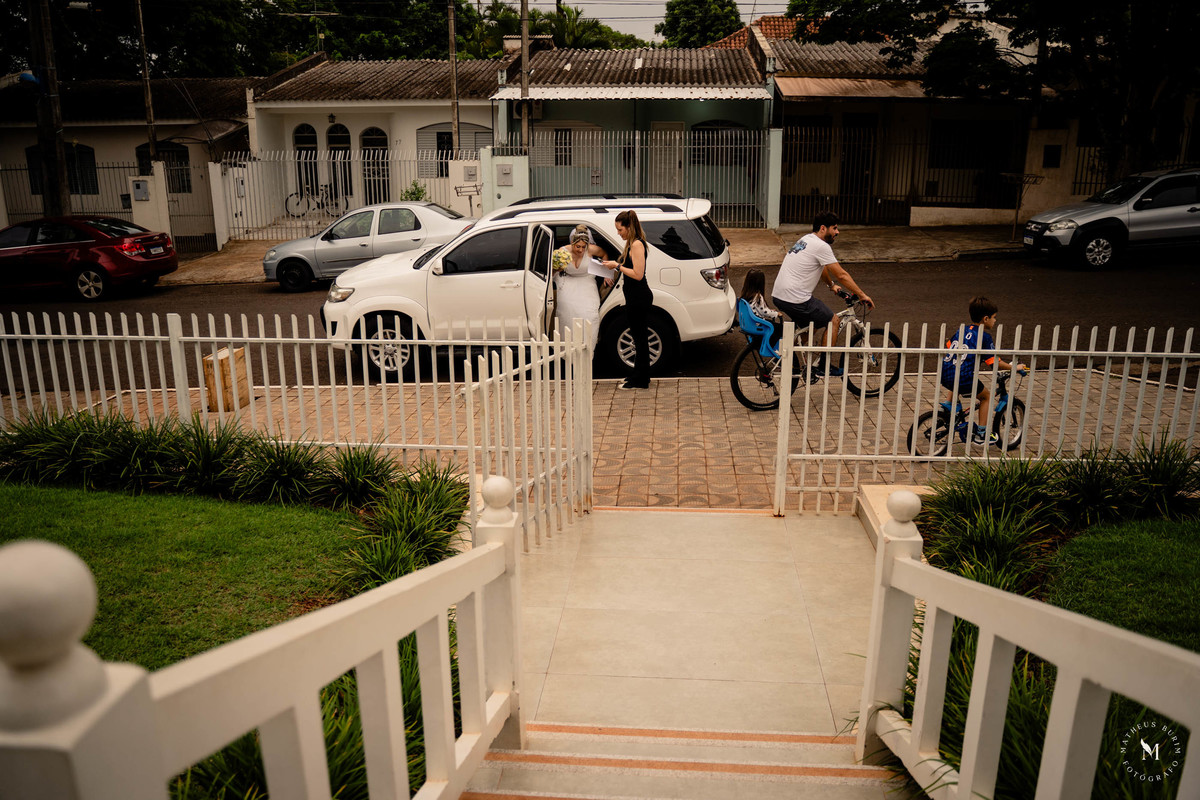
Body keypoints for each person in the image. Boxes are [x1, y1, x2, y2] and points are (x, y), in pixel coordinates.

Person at [771, 211, 873, 378]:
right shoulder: (821, 245)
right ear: (823, 228)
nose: (837, 232)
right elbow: (842, 275)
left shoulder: (806, 240)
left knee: (812, 324)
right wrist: (862, 295)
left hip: (780, 296)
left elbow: (823, 267)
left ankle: (797, 358)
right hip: (796, 298)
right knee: (832, 320)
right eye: (835, 228)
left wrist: (831, 285)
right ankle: (824, 366)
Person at [941, 296, 1027, 444]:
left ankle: (949, 403)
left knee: (957, 369)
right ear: (985, 319)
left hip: (945, 373)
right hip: (963, 378)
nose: (995, 321)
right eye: (994, 318)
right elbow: (994, 363)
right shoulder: (984, 337)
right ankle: (982, 434)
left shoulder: (962, 330)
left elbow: (949, 346)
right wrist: (1013, 367)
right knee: (986, 396)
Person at [603, 210, 652, 389]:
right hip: (634, 296)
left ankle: (640, 379)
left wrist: (617, 266)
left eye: (620, 229)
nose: (618, 233)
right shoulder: (631, 244)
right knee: (638, 337)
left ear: (629, 227)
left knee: (640, 339)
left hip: (639, 296)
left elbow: (638, 275)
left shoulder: (637, 244)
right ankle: (639, 376)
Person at [552, 224, 610, 351]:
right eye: (578, 246)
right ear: (572, 243)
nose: (581, 250)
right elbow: (553, 271)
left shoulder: (592, 249)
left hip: (587, 281)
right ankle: (567, 350)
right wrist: (557, 268)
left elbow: (604, 254)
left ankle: (587, 349)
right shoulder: (562, 252)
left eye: (584, 247)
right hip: (568, 281)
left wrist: (605, 274)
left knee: (589, 314)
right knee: (566, 312)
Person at [739, 268, 782, 349]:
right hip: (758, 324)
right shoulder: (758, 297)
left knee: (775, 327)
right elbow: (764, 312)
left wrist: (770, 310)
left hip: (749, 323)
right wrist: (776, 314)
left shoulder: (745, 295)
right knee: (780, 329)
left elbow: (758, 308)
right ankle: (771, 347)